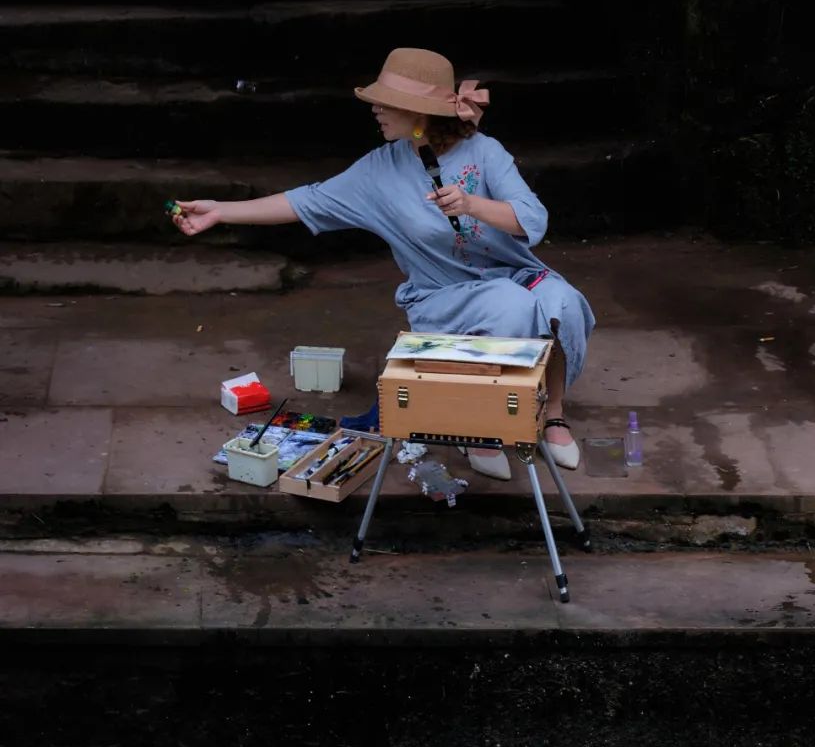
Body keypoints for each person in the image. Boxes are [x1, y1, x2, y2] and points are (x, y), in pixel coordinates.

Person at [171, 47, 594, 479]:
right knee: (511, 304)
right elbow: (306, 200)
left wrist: (472, 204)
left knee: (562, 298)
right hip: (441, 296)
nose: (374, 108)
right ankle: (477, 428)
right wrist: (221, 210)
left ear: (419, 111)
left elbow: (532, 219)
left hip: (514, 276)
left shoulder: (484, 153)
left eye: (385, 101)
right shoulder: (378, 171)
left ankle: (552, 414)